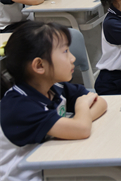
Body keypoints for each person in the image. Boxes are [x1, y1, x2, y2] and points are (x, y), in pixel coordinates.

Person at [0, 20, 108, 181]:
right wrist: (81, 112)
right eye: (65, 51)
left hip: (51, 167)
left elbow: (100, 103)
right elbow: (82, 129)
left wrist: (78, 121)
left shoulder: (55, 88)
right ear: (39, 65)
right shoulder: (20, 106)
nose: (72, 58)